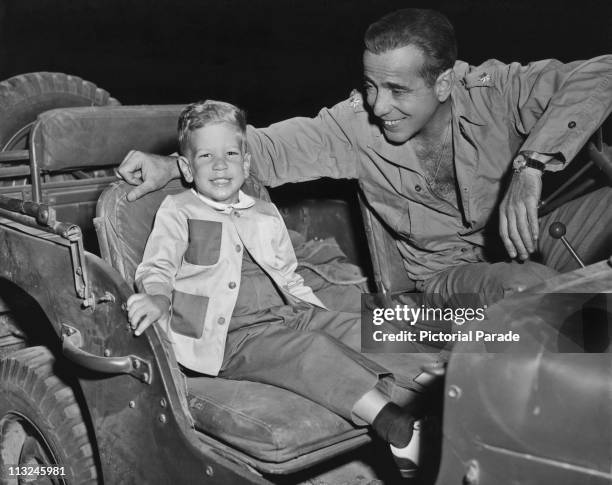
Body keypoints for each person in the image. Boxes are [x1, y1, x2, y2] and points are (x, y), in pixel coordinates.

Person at [117, 8, 612, 307]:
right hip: (444, 281)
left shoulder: (496, 91)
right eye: (372, 85)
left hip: (525, 237)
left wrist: (530, 167)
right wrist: (169, 162)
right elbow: (264, 148)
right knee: (537, 295)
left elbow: (600, 73)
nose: (378, 105)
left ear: (443, 83)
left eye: (397, 90)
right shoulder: (354, 128)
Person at [126, 100, 441, 478]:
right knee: (311, 351)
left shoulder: (263, 212)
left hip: (286, 314)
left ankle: (434, 386)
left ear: (246, 162)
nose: (220, 165)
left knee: (356, 327)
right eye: (206, 156)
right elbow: (156, 266)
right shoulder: (179, 210)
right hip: (230, 336)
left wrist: (318, 315)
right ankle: (398, 429)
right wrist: (159, 296)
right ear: (186, 168)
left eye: (230, 153)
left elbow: (288, 276)